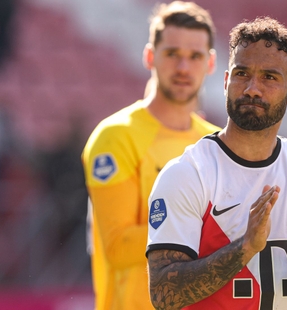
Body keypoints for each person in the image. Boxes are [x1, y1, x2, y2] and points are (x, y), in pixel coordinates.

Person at [146, 17, 287, 310]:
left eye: (269, 77)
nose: (252, 88)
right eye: (241, 74)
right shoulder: (188, 174)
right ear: (226, 81)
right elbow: (163, 294)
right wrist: (245, 247)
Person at [81, 2, 220, 309]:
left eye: (194, 56)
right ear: (149, 56)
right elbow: (118, 246)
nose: (183, 68)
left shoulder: (215, 143)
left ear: (210, 63)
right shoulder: (116, 136)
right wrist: (212, 230)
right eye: (172, 54)